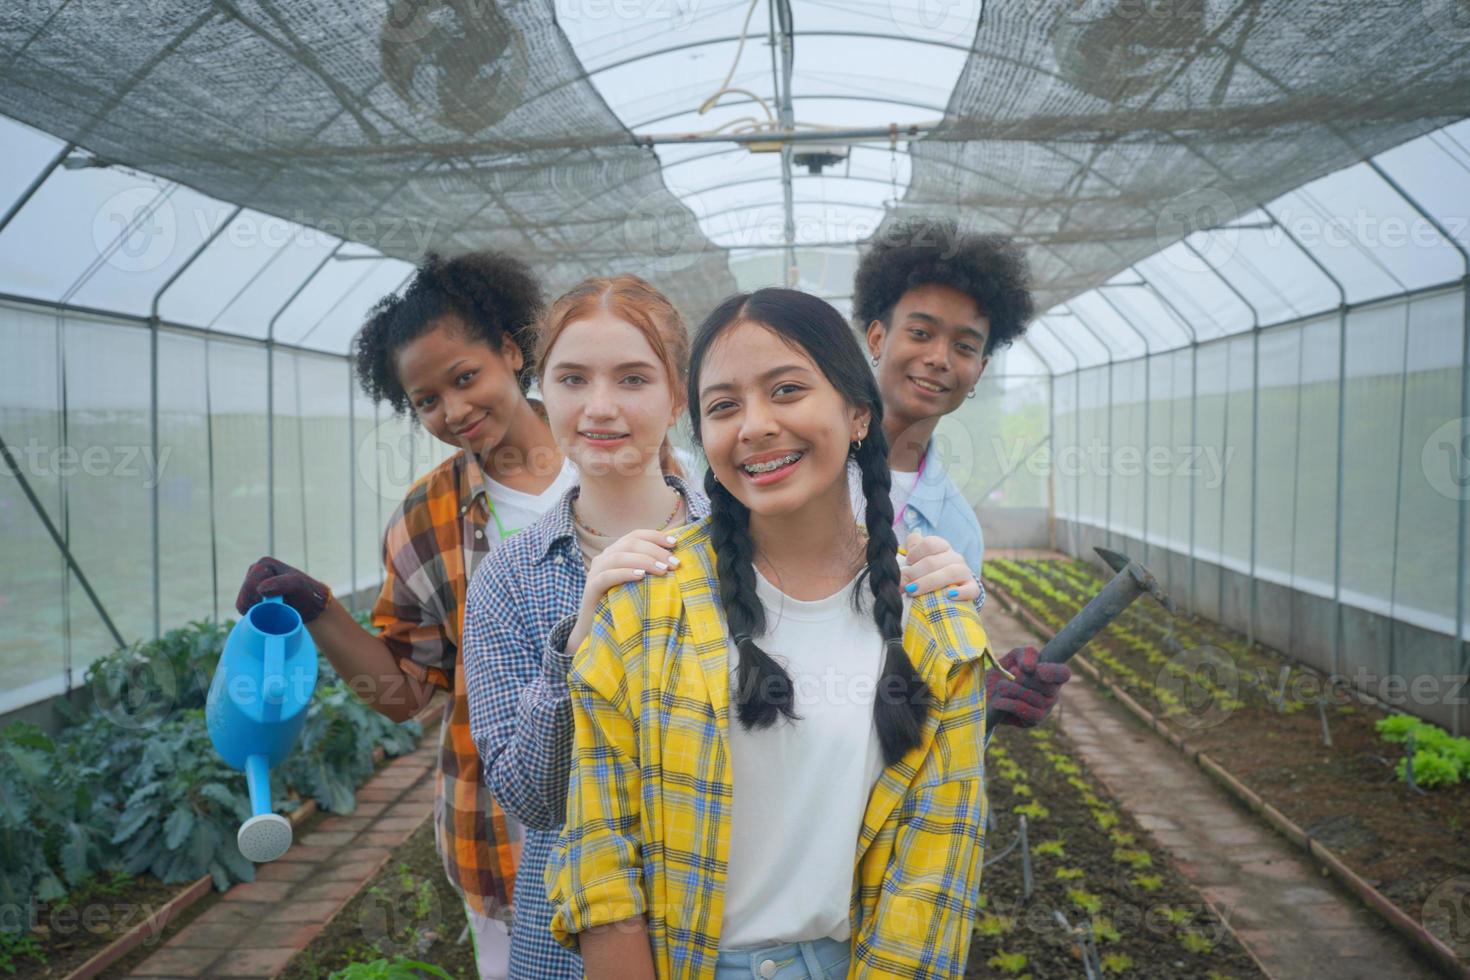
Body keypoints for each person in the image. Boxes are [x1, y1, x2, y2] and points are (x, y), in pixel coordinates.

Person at [462, 276, 984, 976]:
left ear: (860, 413)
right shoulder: (633, 600)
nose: (602, 406)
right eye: (573, 379)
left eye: (788, 390)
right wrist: (578, 645)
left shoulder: (928, 616)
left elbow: (933, 873)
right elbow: (581, 833)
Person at [233, 250, 575, 980]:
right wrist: (317, 607)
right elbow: (403, 696)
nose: (453, 411)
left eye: (465, 378)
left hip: (647, 794)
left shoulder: (618, 457)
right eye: (426, 401)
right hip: (504, 828)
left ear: (511, 352)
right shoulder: (426, 518)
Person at [854, 216, 1070, 728]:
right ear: (878, 337)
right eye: (921, 332)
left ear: (980, 372)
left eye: (965, 347)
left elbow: (938, 673)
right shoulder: (799, 465)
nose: (938, 359)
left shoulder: (955, 529)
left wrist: (981, 691)